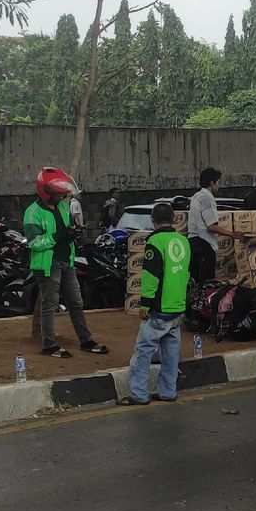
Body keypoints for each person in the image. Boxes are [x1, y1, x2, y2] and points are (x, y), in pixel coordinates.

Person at [23, 167, 109, 358]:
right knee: (50, 304)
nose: (62, 196)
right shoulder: (32, 212)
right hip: (47, 264)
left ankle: (86, 340)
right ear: (46, 192)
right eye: (58, 193)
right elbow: (34, 242)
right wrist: (59, 235)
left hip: (66, 261)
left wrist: (73, 232)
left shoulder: (62, 206)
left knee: (76, 302)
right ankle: (49, 345)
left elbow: (67, 226)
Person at [119, 202, 191, 406]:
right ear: (173, 219)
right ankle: (168, 391)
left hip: (159, 308)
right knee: (170, 354)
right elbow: (185, 273)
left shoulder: (155, 242)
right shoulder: (183, 241)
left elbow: (151, 276)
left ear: (152, 220)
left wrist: (145, 304)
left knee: (143, 352)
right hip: (177, 307)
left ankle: (139, 394)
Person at [187, 166, 240, 283]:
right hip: (203, 244)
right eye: (218, 183)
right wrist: (231, 234)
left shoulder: (196, 196)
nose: (218, 186)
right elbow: (211, 226)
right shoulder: (207, 198)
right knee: (206, 283)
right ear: (212, 183)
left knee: (195, 281)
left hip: (192, 242)